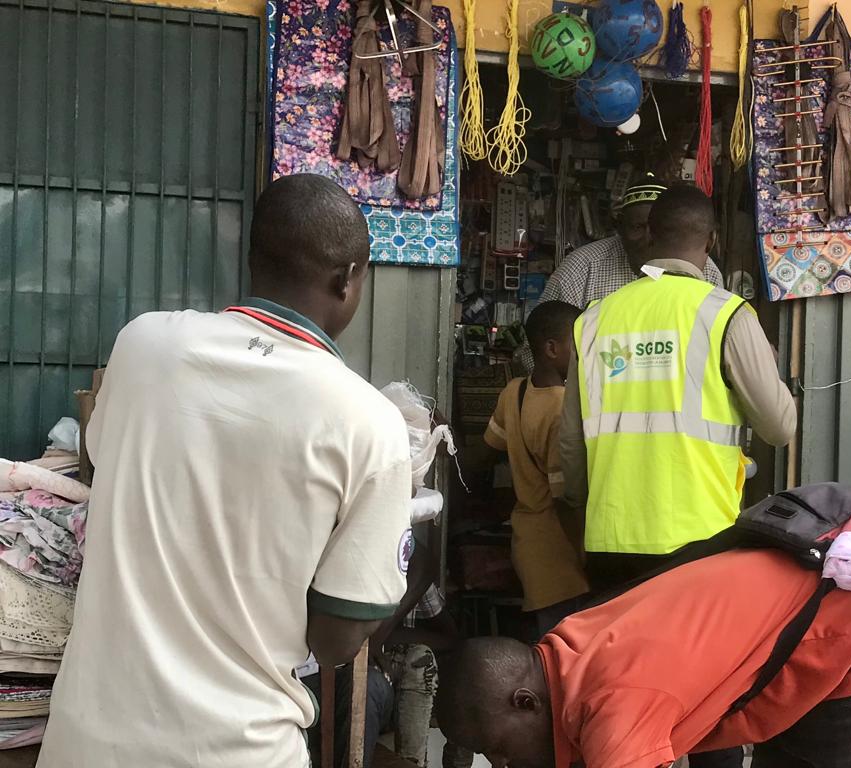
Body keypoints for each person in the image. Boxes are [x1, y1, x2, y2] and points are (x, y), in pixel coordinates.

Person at [38, 174, 413, 768]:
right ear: (348, 279)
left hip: (86, 743)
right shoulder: (369, 423)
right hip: (239, 749)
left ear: (253, 260)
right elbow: (336, 642)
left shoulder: (142, 345)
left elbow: (107, 458)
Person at [436, 548, 851, 768]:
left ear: (526, 702)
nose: (501, 764)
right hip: (798, 648)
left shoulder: (615, 704)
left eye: (496, 749)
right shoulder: (570, 645)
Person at [561, 184, 797, 593]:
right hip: (701, 536)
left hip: (610, 537)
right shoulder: (726, 315)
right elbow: (779, 428)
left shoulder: (594, 320)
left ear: (650, 235)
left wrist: (585, 508)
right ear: (712, 240)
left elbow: (570, 441)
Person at [307, 523, 464, 768]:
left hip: (373, 687)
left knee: (396, 671)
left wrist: (385, 636)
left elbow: (450, 638)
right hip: (312, 678)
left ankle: (413, 762)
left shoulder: (406, 576)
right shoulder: (323, 568)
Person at [483, 302, 590, 638]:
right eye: (577, 344)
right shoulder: (563, 409)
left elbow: (488, 451)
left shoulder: (514, 391)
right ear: (551, 348)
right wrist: (584, 553)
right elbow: (564, 498)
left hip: (527, 543)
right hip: (560, 552)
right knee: (565, 647)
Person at [540, 176, 724, 308]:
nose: (649, 238)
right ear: (619, 227)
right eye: (637, 227)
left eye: (658, 229)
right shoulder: (581, 269)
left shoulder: (706, 272)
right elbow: (544, 339)